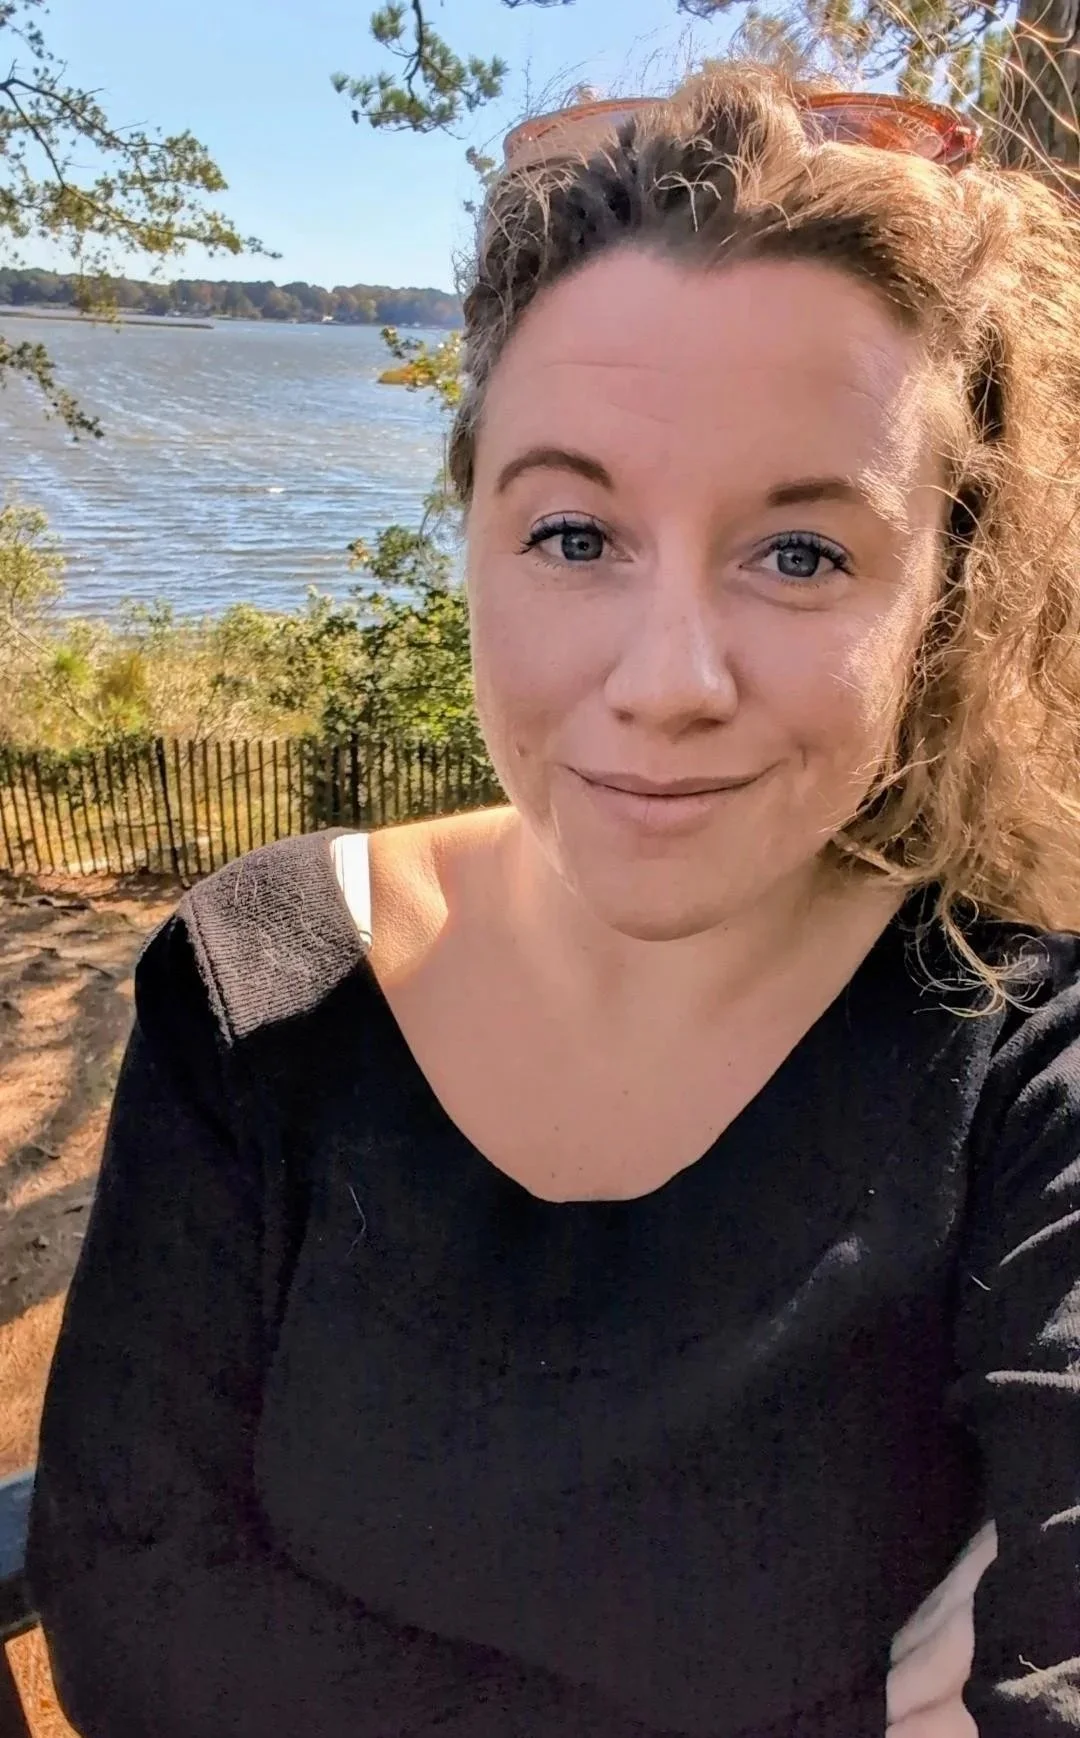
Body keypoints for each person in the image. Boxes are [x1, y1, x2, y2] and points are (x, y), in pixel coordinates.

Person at [24, 60, 1080, 1738]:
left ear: (943, 586)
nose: (668, 682)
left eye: (802, 553)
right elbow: (128, 1606)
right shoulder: (258, 991)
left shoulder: (1027, 1065)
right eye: (578, 536)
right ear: (472, 533)